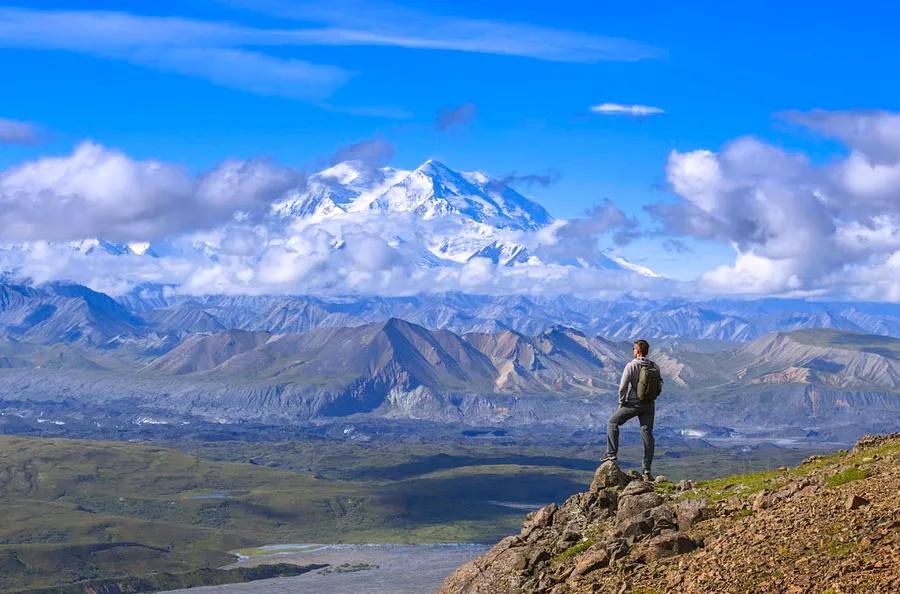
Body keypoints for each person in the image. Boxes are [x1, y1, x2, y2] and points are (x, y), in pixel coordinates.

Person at [603, 339, 662, 481]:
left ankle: (611, 454)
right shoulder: (655, 366)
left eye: (634, 349)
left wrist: (621, 403)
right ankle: (647, 470)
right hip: (649, 404)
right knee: (647, 434)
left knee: (612, 422)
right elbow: (659, 387)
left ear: (637, 351)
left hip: (633, 404)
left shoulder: (631, 366)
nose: (633, 351)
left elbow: (623, 387)